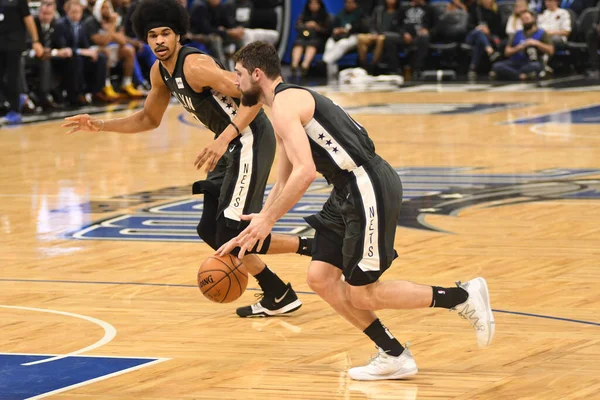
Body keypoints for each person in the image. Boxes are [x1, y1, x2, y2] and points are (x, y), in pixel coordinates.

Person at [217, 41, 495, 380]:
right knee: (320, 278)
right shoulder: (283, 105)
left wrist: (269, 220)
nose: (235, 81)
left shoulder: (286, 104)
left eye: (239, 74)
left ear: (256, 74)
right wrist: (258, 222)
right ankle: (393, 354)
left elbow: (305, 173)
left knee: (362, 293)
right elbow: (284, 178)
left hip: (367, 185)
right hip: (346, 190)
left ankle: (461, 296)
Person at [62, 0, 312, 319]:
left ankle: (313, 248)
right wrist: (100, 125)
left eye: (165, 33)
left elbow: (252, 95)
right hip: (230, 144)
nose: (159, 41)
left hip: (249, 137)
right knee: (210, 229)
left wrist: (224, 138)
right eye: (152, 35)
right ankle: (278, 292)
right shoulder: (159, 72)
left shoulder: (195, 66)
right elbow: (148, 119)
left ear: (178, 34)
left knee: (232, 229)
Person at [0, 0, 44, 125]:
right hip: (0, 42)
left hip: (14, 43)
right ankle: (14, 101)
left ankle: (14, 110)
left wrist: (36, 41)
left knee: (12, 77)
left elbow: (28, 18)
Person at [491, 10, 554, 81]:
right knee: (497, 66)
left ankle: (513, 74)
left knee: (535, 66)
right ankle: (521, 76)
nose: (525, 21)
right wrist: (519, 47)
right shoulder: (517, 33)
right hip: (516, 61)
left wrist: (537, 43)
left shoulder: (542, 33)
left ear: (533, 18)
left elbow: (551, 50)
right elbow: (507, 52)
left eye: (527, 19)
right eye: (523, 20)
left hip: (532, 62)